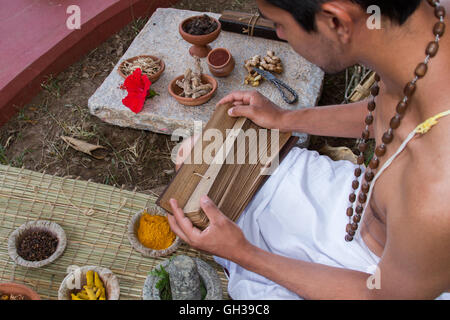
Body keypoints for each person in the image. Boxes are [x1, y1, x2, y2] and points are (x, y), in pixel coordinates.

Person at [167, 0, 450, 299]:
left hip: (379, 279)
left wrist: (243, 253)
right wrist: (285, 119)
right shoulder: (427, 25)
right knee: (193, 154)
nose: (280, 34)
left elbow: (380, 296)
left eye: (280, 24)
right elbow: (395, 112)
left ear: (336, 22)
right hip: (362, 206)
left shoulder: (435, 197)